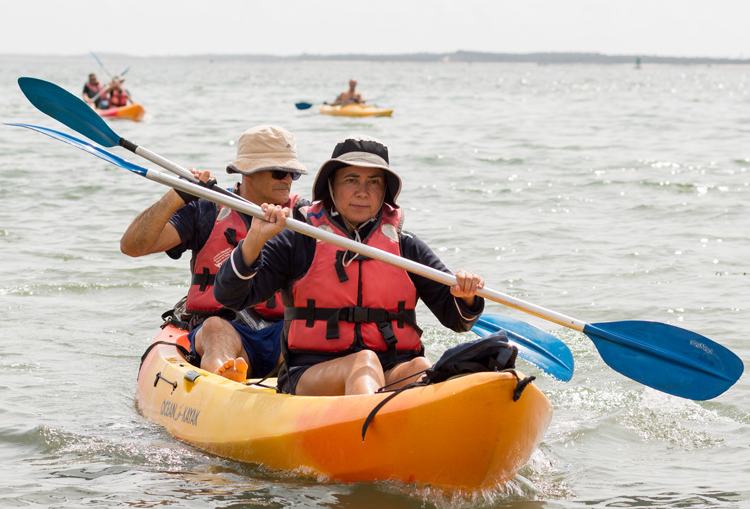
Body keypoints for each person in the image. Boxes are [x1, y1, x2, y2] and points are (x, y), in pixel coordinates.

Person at [213, 135, 486, 396]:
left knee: (422, 367)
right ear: (331, 186)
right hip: (310, 371)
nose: (363, 192)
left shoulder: (405, 246)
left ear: (384, 192)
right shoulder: (301, 239)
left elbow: (457, 319)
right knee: (364, 362)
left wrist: (468, 294)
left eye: (374, 182)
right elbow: (230, 296)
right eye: (351, 180)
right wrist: (254, 240)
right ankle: (372, 435)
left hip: (393, 366)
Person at [121, 125, 309, 382]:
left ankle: (300, 390)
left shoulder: (304, 218)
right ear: (247, 172)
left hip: (281, 331)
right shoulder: (206, 210)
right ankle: (225, 376)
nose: (287, 180)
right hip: (225, 328)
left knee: (305, 329)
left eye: (293, 173)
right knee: (216, 329)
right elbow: (133, 246)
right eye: (279, 172)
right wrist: (177, 195)